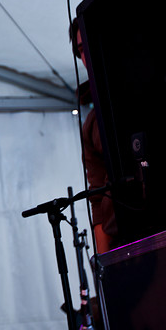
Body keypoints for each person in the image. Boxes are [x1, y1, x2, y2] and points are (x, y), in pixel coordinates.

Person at [70, 17, 118, 254]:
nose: (87, 53)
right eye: (81, 49)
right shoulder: (91, 123)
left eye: (89, 43)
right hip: (125, 239)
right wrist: (105, 269)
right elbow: (97, 198)